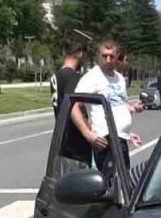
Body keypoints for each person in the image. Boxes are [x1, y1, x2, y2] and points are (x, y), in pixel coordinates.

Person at [71, 37, 144, 181]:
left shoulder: (119, 78)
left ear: (117, 57)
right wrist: (87, 134)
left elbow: (119, 104)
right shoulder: (92, 78)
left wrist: (129, 130)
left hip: (120, 138)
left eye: (112, 56)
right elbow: (74, 108)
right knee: (112, 184)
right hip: (105, 138)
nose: (108, 60)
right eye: (104, 56)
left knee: (123, 182)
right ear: (99, 57)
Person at [49, 38, 90, 166]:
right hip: (74, 140)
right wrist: (87, 132)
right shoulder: (72, 76)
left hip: (61, 137)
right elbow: (72, 106)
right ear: (80, 54)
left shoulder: (56, 75)